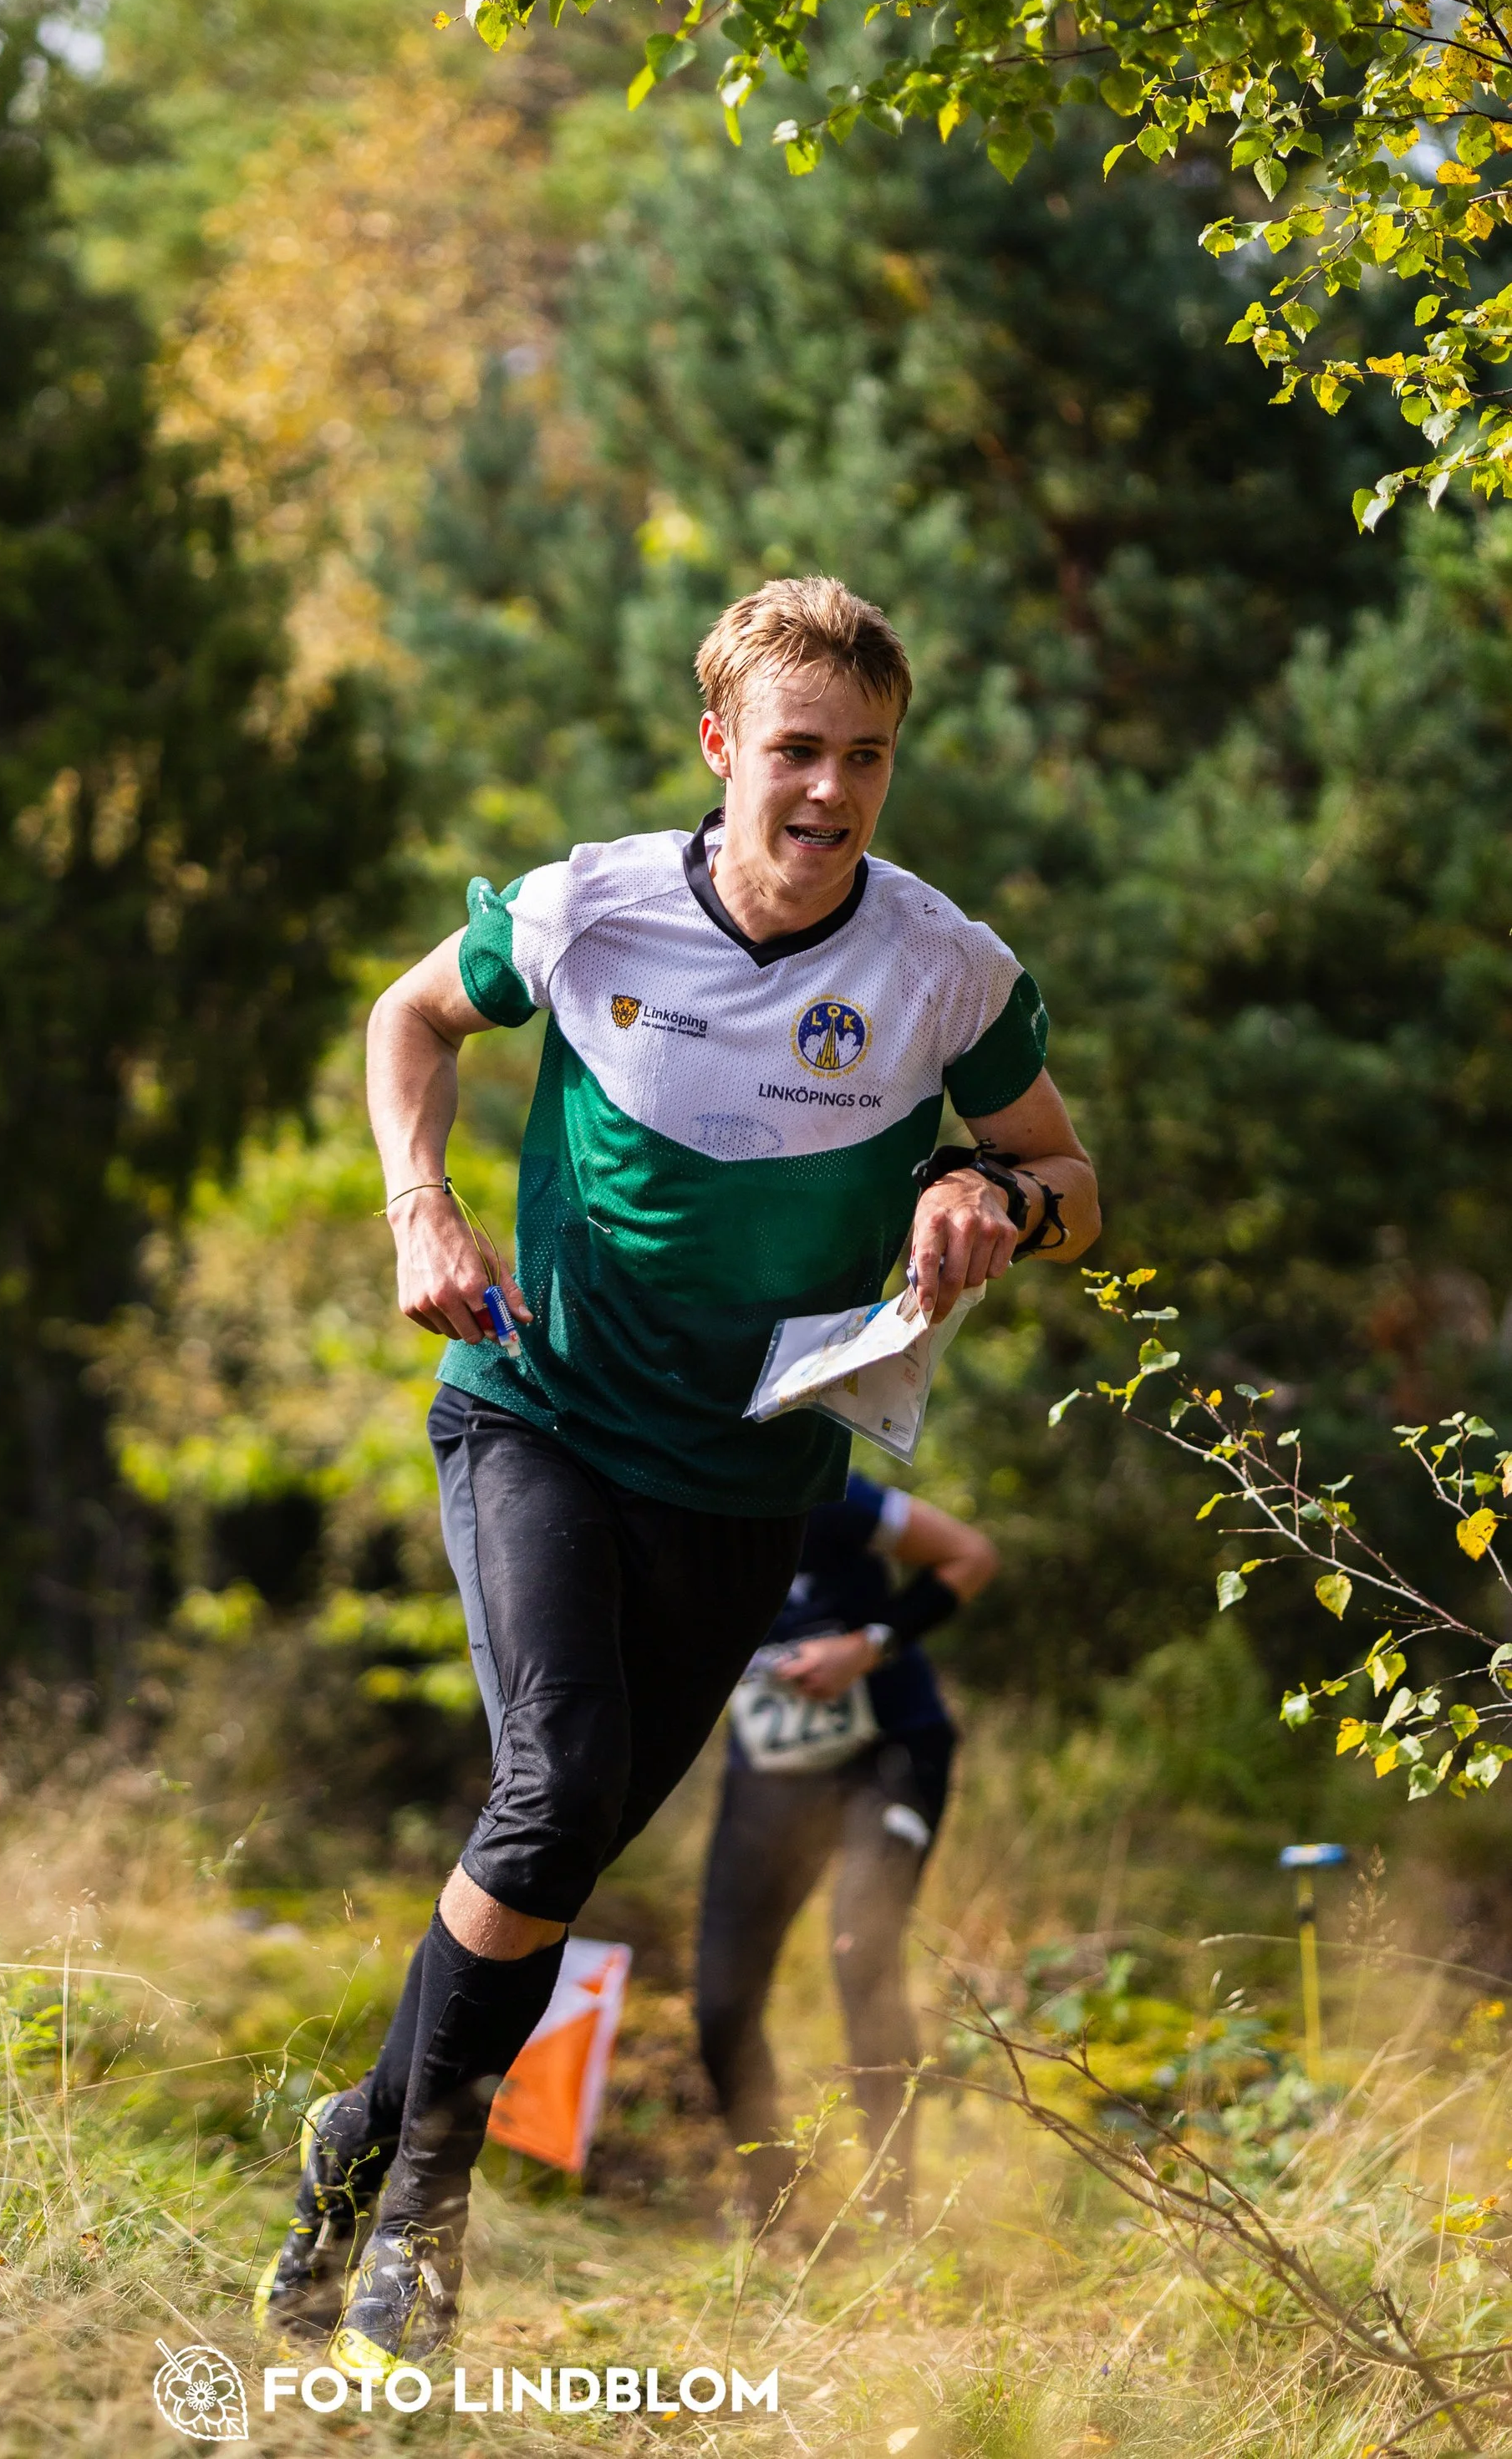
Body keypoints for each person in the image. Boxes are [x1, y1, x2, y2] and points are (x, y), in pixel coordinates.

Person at [252, 573, 1100, 2376]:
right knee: (553, 1787)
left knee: (551, 1854)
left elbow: (1072, 1178)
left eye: (863, 756)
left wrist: (991, 1195)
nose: (828, 790)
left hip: (747, 1482)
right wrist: (420, 1202)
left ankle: (353, 2127)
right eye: (795, 748)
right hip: (537, 1410)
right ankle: (421, 2198)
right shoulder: (591, 904)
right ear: (721, 743)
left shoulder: (945, 967)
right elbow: (407, 1018)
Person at [695, 1475, 997, 2232]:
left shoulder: (824, 1491)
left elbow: (971, 1556)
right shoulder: (669, 1505)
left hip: (890, 1753)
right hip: (769, 1778)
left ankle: (894, 2207)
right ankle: (773, 2200)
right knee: (720, 1999)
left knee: (861, 1949)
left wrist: (865, 1648)